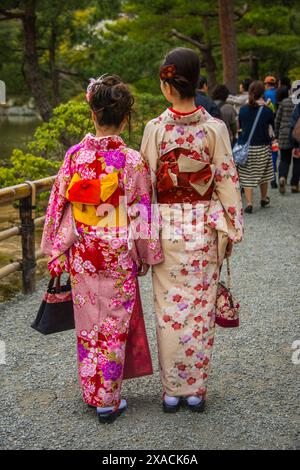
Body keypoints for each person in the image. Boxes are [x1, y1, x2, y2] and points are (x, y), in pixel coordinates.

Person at [41, 75, 164, 424]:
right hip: (118, 251)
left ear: (93, 114)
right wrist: (146, 255)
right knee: (113, 323)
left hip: (82, 250)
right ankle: (107, 398)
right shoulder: (133, 161)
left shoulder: (75, 157)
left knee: (88, 322)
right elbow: (142, 209)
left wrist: (54, 247)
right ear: (124, 118)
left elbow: (58, 204)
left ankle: (93, 391)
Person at [141, 47, 244, 413]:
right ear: (196, 82)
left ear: (167, 86)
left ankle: (172, 391)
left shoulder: (154, 130)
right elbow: (228, 182)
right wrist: (231, 228)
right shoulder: (214, 129)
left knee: (168, 310)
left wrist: (142, 237)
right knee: (198, 310)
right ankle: (196, 390)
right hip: (202, 229)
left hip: (168, 229)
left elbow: (145, 188)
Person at [237, 80, 275, 213]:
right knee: (264, 173)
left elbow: (240, 127)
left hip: (246, 148)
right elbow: (272, 127)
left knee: (247, 174)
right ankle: (264, 198)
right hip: (263, 147)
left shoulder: (243, 110)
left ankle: (249, 203)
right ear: (262, 93)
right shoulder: (267, 110)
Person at [275, 86, 297, 194]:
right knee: (297, 161)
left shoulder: (284, 102)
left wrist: (276, 133)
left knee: (284, 159)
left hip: (284, 133)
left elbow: (277, 119)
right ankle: (294, 184)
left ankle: (282, 177)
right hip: (297, 135)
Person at [289, 102, 300, 193]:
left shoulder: (299, 105)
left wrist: (292, 141)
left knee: (297, 162)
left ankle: (294, 183)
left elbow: (293, 123)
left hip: (298, 138)